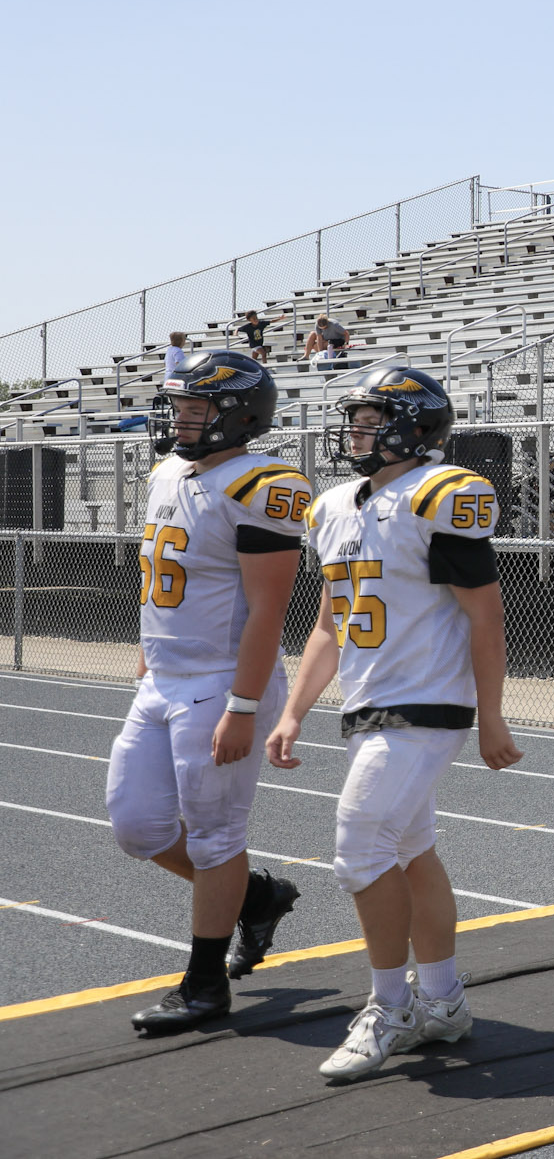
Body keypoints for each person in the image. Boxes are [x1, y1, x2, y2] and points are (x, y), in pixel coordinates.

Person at [267, 367, 523, 1081]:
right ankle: (440, 999)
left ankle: (390, 1006)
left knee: (358, 846)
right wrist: (294, 708)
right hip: (371, 701)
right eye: (355, 417)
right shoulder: (334, 507)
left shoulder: (440, 494)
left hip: (427, 701)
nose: (357, 430)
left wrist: (491, 713)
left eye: (373, 418)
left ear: (414, 425)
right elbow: (328, 623)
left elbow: (485, 615)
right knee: (410, 848)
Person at [111, 350, 307, 1036]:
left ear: (242, 414)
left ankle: (203, 982)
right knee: (136, 824)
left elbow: (265, 611)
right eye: (180, 407)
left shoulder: (263, 483)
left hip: (220, 683)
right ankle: (256, 896)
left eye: (199, 408)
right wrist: (148, 652)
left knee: (216, 835)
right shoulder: (169, 470)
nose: (183, 418)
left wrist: (244, 705)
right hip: (163, 678)